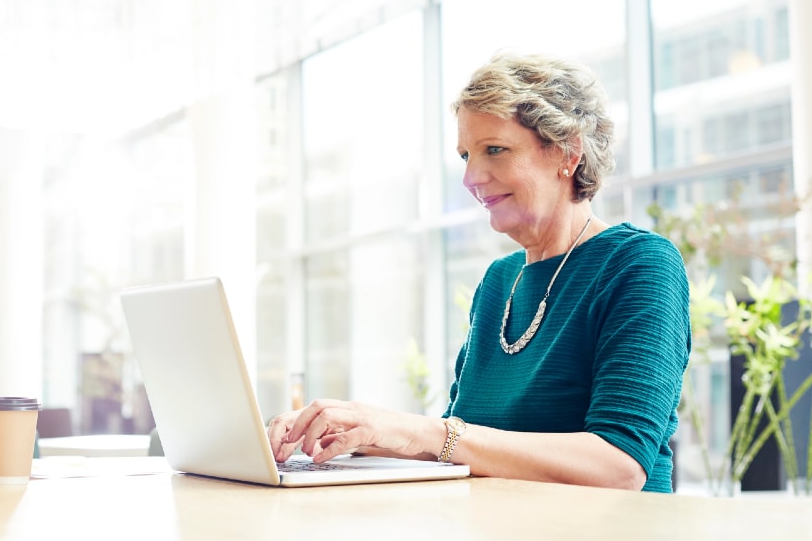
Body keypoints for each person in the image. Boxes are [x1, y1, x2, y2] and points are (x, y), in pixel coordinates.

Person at [266, 51, 691, 493]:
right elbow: (463, 443)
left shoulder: (639, 264)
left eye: (495, 150)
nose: (471, 178)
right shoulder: (498, 282)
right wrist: (356, 430)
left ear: (567, 151)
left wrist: (423, 432)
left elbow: (620, 466)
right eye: (467, 154)